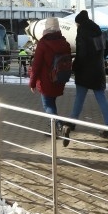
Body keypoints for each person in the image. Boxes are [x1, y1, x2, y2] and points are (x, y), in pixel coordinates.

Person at [66, 10, 108, 140]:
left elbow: (81, 54)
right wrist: (99, 58)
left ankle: (72, 122)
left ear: (79, 23)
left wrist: (75, 66)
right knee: (101, 98)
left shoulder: (82, 32)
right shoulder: (97, 30)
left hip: (84, 71)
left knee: (79, 98)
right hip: (97, 71)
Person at [29, 17, 72, 146]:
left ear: (46, 28)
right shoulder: (64, 42)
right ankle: (53, 130)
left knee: (48, 105)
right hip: (60, 78)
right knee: (52, 103)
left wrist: (32, 82)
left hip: (46, 81)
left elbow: (36, 65)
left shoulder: (43, 43)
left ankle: (60, 126)